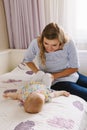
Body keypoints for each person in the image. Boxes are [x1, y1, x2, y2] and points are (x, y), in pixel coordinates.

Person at [23, 22, 87, 101]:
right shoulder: (36, 43)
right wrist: (39, 73)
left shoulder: (69, 43)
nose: (49, 48)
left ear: (61, 42)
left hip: (70, 74)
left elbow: (74, 67)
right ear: (42, 39)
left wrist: (54, 76)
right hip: (54, 82)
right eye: (46, 43)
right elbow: (27, 60)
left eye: (54, 45)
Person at [3, 71, 70, 114]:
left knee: (39, 73)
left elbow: (16, 95)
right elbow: (55, 94)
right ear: (43, 102)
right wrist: (63, 92)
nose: (39, 92)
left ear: (25, 100)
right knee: (48, 76)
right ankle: (47, 75)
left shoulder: (24, 96)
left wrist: (9, 94)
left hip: (32, 84)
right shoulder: (47, 96)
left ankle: (40, 74)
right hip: (44, 85)